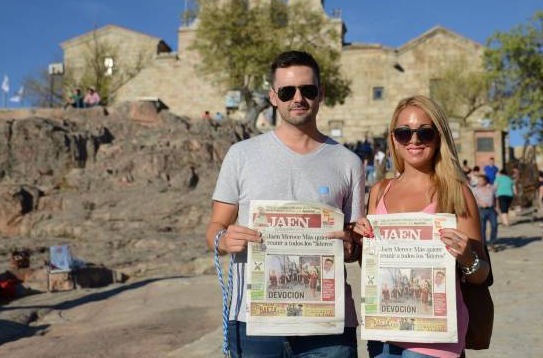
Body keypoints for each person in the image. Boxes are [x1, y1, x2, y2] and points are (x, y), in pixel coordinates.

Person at [205, 50, 365, 358]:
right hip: (253, 322)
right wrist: (225, 239)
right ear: (273, 97)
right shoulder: (241, 155)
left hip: (328, 328)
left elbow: (353, 245)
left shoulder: (349, 162)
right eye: (287, 91)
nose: (298, 98)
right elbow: (214, 228)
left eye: (308, 90)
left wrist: (350, 246)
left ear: (321, 95)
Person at [354, 95, 491, 358]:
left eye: (424, 133)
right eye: (404, 133)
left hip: (435, 341)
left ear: (438, 137)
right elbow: (371, 269)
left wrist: (466, 257)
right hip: (384, 335)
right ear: (394, 138)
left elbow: (481, 274)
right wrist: (364, 243)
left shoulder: (456, 192)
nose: (414, 140)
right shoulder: (379, 191)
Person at [473, 173, 497, 250]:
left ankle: (492, 243)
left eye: (481, 180)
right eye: (478, 180)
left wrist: (497, 208)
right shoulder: (475, 189)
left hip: (491, 209)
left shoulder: (491, 188)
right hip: (481, 210)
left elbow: (495, 197)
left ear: (485, 181)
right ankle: (484, 245)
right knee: (482, 228)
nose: (479, 181)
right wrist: (479, 203)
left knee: (494, 225)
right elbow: (473, 200)